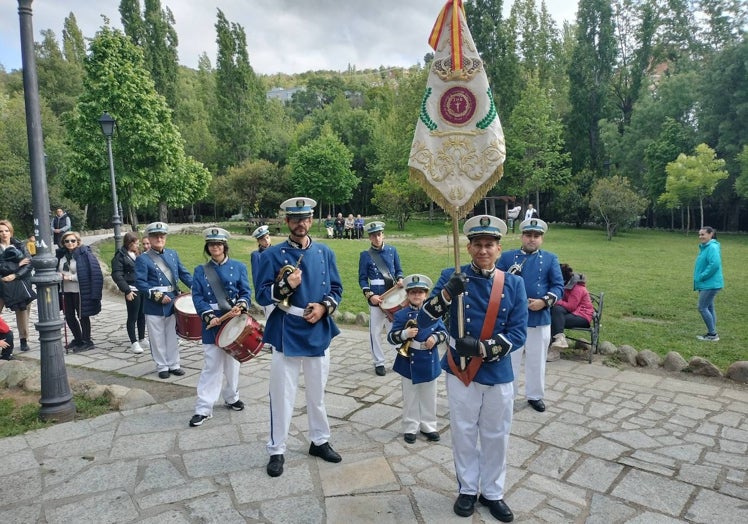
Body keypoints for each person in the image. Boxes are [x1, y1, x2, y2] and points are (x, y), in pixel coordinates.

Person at [418, 215, 527, 522]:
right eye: (477, 244)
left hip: (496, 371)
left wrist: (481, 349)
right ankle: (467, 489)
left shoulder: (514, 284)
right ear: (467, 248)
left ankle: (493, 492)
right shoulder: (450, 276)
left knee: (496, 434)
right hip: (459, 369)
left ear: (499, 248)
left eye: (489, 245)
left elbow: (518, 333)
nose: (483, 250)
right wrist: (446, 294)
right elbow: (425, 320)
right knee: (464, 432)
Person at [256, 197, 343, 478]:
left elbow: (337, 289)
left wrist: (324, 307)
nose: (301, 224)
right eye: (295, 219)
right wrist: (284, 285)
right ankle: (277, 449)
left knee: (317, 394)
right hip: (287, 329)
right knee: (282, 395)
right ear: (286, 222)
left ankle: (319, 441)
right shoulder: (271, 255)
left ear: (312, 220)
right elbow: (261, 294)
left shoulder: (325, 252)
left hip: (318, 327)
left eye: (305, 218)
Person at [497, 218, 563, 413]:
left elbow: (558, 286)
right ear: (522, 236)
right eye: (528, 235)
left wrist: (544, 301)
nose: (532, 239)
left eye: (536, 236)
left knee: (537, 359)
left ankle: (535, 395)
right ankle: (508, 395)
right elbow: (496, 282)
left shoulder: (551, 258)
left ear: (541, 238)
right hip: (513, 318)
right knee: (511, 359)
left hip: (539, 317)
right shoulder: (508, 258)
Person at [189, 227, 252, 427]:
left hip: (233, 321)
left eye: (218, 244)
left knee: (232, 364)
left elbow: (245, 291)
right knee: (212, 365)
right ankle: (204, 407)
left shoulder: (239, 266)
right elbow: (197, 296)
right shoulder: (200, 271)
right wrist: (207, 315)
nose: (215, 247)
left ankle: (231, 397)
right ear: (207, 247)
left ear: (224, 246)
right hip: (212, 322)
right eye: (211, 244)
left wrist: (242, 304)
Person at [387, 274, 446, 444]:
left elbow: (444, 332)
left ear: (426, 295)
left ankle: (429, 425)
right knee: (410, 396)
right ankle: (410, 426)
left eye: (420, 292)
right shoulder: (401, 315)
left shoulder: (434, 313)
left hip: (429, 359)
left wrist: (435, 339)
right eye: (413, 292)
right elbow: (391, 337)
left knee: (429, 395)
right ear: (407, 294)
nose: (416, 295)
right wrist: (405, 334)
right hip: (409, 360)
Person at [135, 222, 193, 379]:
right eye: (155, 236)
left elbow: (184, 274)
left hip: (173, 301)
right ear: (149, 238)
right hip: (154, 303)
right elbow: (140, 283)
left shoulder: (173, 254)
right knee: (157, 337)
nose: (159, 239)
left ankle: (174, 364)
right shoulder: (143, 259)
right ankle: (162, 366)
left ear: (165, 238)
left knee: (172, 335)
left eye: (162, 236)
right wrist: (157, 296)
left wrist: (196, 286)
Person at [358, 220, 404, 376]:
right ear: (369, 238)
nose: (377, 238)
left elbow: (399, 270)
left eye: (379, 234)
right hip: (376, 298)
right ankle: (379, 362)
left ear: (383, 234)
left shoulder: (392, 250)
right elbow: (362, 279)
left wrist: (400, 279)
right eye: (373, 236)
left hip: (392, 296)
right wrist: (370, 295)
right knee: (375, 331)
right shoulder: (365, 255)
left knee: (394, 328)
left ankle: (399, 358)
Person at [56, 231, 104, 352]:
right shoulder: (61, 255)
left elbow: (87, 274)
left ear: (78, 242)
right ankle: (78, 339)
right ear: (63, 243)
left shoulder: (84, 254)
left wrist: (69, 277)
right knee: (69, 316)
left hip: (80, 291)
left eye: (73, 241)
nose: (70, 243)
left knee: (83, 316)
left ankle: (87, 341)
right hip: (65, 290)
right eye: (67, 241)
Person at [0, 220, 35, 352]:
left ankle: (23, 339)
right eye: (1, 231)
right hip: (2, 282)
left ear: (11, 231)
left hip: (19, 281)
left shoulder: (19, 245)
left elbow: (28, 264)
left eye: (6, 230)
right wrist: (16, 265)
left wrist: (15, 275)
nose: (4, 234)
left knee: (23, 312)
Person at [547, 263, 594, 362]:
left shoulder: (577, 288)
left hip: (582, 316)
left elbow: (571, 306)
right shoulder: (567, 285)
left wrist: (554, 300)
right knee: (555, 311)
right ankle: (558, 341)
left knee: (554, 318)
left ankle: (555, 351)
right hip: (572, 313)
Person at [111, 231, 147, 354]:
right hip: (132, 290)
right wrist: (126, 290)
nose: (138, 246)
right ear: (129, 243)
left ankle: (142, 338)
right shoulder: (120, 256)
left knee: (142, 315)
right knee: (133, 316)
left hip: (142, 288)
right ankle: (134, 342)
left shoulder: (139, 254)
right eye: (136, 243)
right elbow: (117, 274)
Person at [694, 226, 723, 341]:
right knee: (709, 307)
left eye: (703, 234)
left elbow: (714, 264)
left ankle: (712, 335)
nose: (700, 237)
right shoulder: (706, 247)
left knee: (702, 307)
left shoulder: (712, 247)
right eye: (699, 235)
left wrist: (702, 276)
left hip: (710, 284)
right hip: (706, 283)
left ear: (711, 234)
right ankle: (712, 332)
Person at [250, 225, 274, 319]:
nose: (266, 241)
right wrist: (260, 294)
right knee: (270, 317)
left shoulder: (277, 250)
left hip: (279, 288)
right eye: (263, 239)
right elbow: (257, 277)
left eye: (267, 238)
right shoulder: (256, 255)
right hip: (266, 290)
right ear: (259, 241)